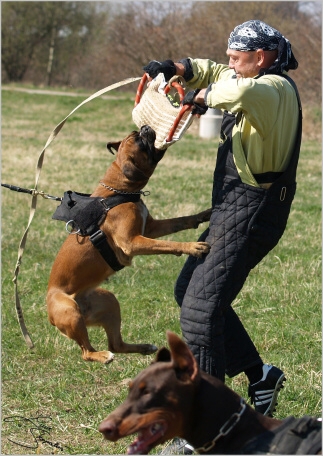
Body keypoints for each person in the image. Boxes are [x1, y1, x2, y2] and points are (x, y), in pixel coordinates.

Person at [143, 19, 301, 440]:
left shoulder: (273, 89)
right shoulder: (244, 72)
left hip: (254, 213)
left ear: (262, 57)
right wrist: (172, 68)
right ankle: (260, 375)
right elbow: (212, 70)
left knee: (201, 310)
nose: (230, 62)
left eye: (237, 56)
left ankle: (210, 428)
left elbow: (235, 90)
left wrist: (198, 98)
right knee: (189, 293)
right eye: (229, 55)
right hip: (232, 209)